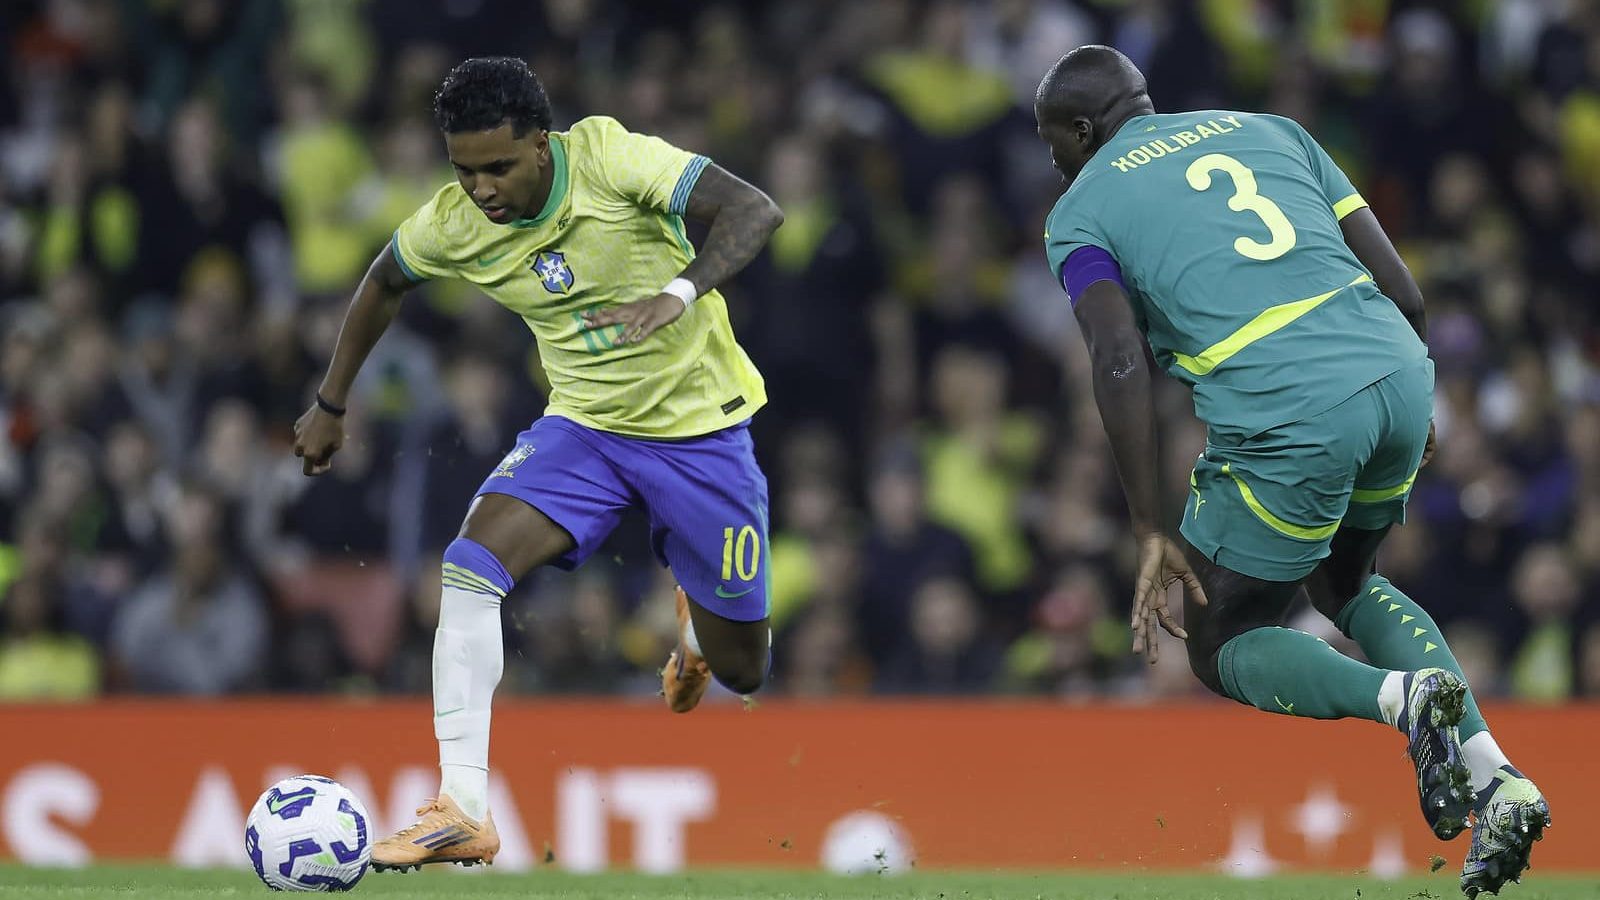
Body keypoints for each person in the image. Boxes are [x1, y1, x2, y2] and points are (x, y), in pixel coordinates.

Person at [1034, 46, 1548, 897]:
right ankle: (1498, 780)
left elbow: (1119, 357)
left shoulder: (1080, 210)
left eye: (1052, 140)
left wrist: (1151, 524)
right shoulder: (1273, 131)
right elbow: (1405, 289)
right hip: (1395, 370)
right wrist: (1409, 406)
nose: (1051, 160)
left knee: (1220, 635)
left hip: (1290, 409)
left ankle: (1400, 699)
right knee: (1344, 580)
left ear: (1083, 130)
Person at [292, 57, 783, 872]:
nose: (481, 188)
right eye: (464, 169)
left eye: (498, 166)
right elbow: (383, 280)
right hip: (584, 429)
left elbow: (755, 211)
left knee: (746, 669)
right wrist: (332, 403)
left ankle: (697, 628)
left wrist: (680, 292)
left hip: (701, 435)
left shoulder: (610, 159)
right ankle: (463, 807)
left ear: (543, 145)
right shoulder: (452, 223)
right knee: (469, 565)